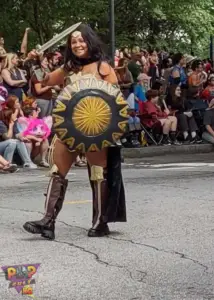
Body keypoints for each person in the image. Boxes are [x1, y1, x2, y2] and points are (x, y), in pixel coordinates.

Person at [23, 24, 126, 240]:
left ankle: (100, 222)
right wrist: (34, 61)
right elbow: (44, 81)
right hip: (68, 129)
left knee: (99, 174)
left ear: (90, 42)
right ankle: (47, 222)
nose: (78, 44)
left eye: (81, 40)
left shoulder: (103, 68)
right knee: (56, 171)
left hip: (94, 131)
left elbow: (116, 102)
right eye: (74, 41)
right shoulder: (69, 68)